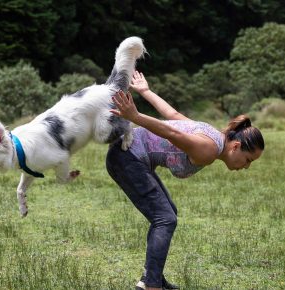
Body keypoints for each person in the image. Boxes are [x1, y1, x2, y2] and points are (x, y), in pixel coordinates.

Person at [106, 71, 265, 290]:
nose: (246, 166)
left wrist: (146, 92)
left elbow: (172, 114)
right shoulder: (209, 148)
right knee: (165, 218)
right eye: (248, 160)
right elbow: (172, 132)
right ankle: (151, 285)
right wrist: (135, 116)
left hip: (131, 157)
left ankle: (152, 278)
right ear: (236, 146)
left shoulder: (213, 136)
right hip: (126, 157)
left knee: (167, 213)